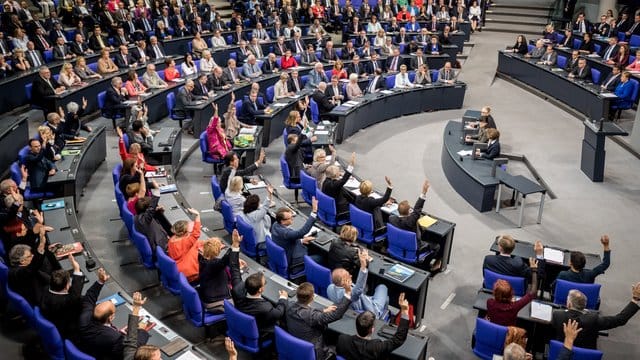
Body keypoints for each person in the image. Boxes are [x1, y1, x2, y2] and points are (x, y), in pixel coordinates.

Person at [77, 268, 150, 358]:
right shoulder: (113, 337)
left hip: (86, 348)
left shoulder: (85, 317)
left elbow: (89, 298)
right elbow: (131, 347)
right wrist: (142, 330)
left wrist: (100, 281)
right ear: (110, 317)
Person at [229, 229, 287, 339]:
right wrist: (283, 298)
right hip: (261, 330)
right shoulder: (265, 307)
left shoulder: (237, 289)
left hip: (243, 324)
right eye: (264, 283)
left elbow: (234, 268)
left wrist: (235, 245)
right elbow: (279, 312)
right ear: (260, 289)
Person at [551, 283, 640, 349]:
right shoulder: (594, 319)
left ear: (569, 304)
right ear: (584, 306)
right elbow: (620, 319)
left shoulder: (557, 315)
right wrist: (635, 298)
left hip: (561, 352)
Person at [286, 280, 351, 359]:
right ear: (312, 297)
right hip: (315, 352)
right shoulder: (312, 316)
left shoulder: (289, 305)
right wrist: (347, 293)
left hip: (296, 346)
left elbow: (305, 311)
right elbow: (336, 315)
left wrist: (323, 310)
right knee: (338, 346)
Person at [337, 293, 410, 359]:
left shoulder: (342, 340)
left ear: (356, 326)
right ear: (372, 329)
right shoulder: (377, 347)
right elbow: (399, 339)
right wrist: (404, 311)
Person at [328, 248, 389, 319]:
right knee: (382, 287)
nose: (351, 275)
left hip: (360, 304)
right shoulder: (350, 295)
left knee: (382, 296)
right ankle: (380, 314)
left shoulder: (330, 288)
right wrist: (363, 265)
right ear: (342, 282)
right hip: (372, 310)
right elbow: (358, 290)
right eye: (348, 276)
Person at [40, 254, 85, 339]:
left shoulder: (46, 289)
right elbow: (75, 295)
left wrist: (76, 269)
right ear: (66, 286)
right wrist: (76, 269)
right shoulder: (67, 301)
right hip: (68, 330)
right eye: (69, 282)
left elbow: (75, 293)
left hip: (53, 319)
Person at [487, 258, 539, 326]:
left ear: (494, 293)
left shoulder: (489, 302)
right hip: (509, 334)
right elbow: (533, 292)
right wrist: (534, 270)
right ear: (511, 293)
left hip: (493, 330)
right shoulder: (514, 306)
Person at [271, 198, 318, 268]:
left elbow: (286, 241)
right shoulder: (286, 233)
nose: (292, 219)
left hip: (287, 251)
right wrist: (314, 212)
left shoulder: (275, 224)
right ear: (282, 221)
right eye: (290, 218)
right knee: (321, 257)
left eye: (292, 216)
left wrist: (301, 240)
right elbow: (301, 232)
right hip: (294, 258)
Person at [198, 237, 231, 313]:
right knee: (241, 306)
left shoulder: (202, 260)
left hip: (207, 297)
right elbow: (223, 261)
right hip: (214, 302)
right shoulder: (213, 265)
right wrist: (235, 245)